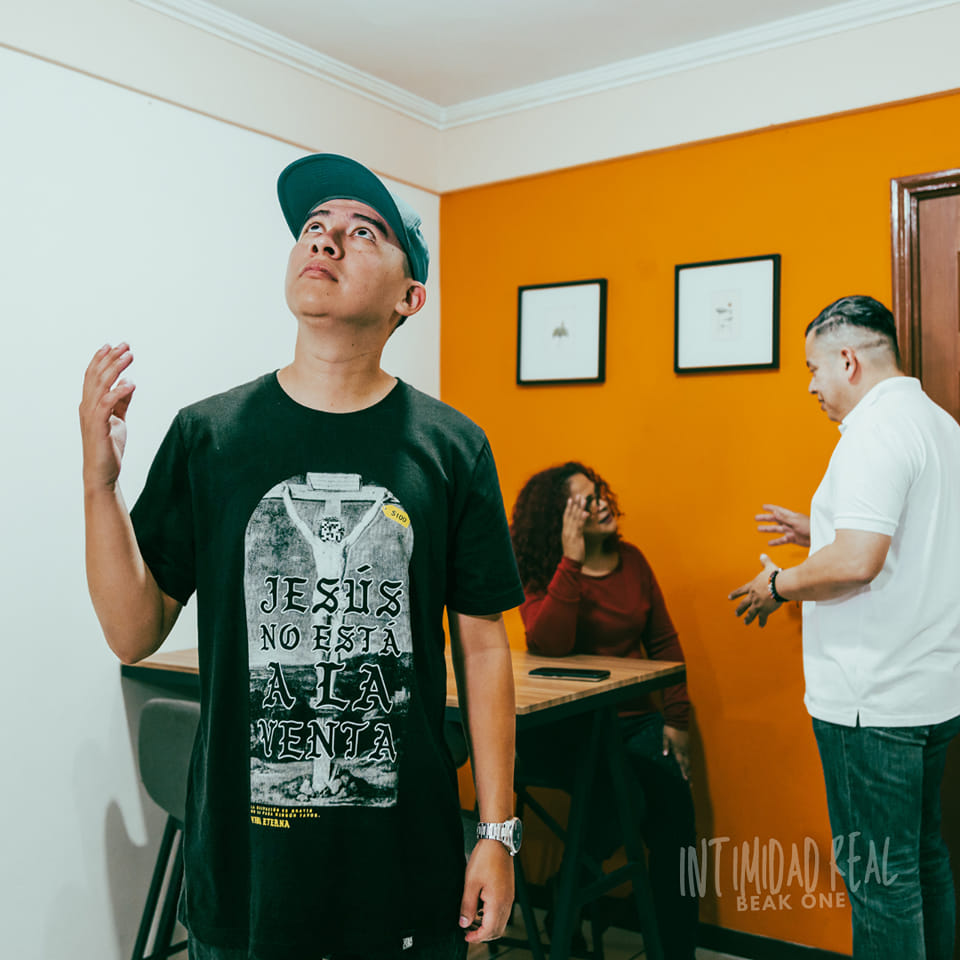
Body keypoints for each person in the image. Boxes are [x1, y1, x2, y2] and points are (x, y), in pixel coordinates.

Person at [79, 153, 526, 960]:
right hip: (246, 869)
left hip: (402, 863)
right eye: (315, 226)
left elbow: (484, 646)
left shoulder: (452, 448)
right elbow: (131, 632)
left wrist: (498, 832)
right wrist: (99, 485)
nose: (326, 240)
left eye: (364, 232)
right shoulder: (209, 436)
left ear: (409, 297)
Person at [729, 295, 960, 959]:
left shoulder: (872, 433)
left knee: (880, 882)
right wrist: (821, 529)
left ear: (849, 360)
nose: (812, 386)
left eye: (814, 368)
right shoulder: (939, 425)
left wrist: (777, 584)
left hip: (872, 701)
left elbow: (858, 562)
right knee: (923, 861)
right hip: (933, 692)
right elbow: (910, 534)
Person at [510, 462, 697, 960]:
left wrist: (677, 722)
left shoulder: (631, 561)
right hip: (565, 729)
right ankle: (567, 903)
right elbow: (548, 643)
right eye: (585, 502)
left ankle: (674, 949)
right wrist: (570, 562)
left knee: (677, 820)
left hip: (635, 722)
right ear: (560, 519)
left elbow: (664, 643)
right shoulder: (544, 572)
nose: (602, 505)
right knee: (623, 797)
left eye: (600, 495)